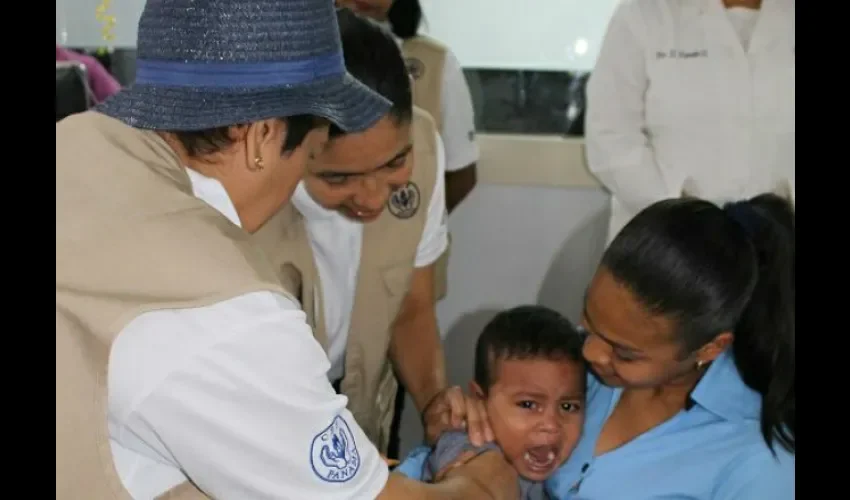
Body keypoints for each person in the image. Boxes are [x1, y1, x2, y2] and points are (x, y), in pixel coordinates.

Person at [55, 1, 517, 499]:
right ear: (259, 136)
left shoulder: (77, 145)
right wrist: (484, 484)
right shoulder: (220, 311)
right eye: (315, 154)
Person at [261, 7, 455, 456]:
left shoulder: (424, 148)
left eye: (393, 164)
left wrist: (436, 409)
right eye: (338, 179)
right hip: (265, 411)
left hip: (356, 394)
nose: (371, 198)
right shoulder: (248, 192)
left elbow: (411, 308)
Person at [545, 193, 795, 498]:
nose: (590, 352)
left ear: (709, 348)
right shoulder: (567, 364)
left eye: (623, 353)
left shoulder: (759, 463)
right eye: (588, 319)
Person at [586, 0, 795, 242]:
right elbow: (609, 135)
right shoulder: (646, 13)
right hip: (666, 243)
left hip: (782, 247)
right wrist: (675, 212)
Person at [410, 306, 587, 500]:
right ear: (480, 399)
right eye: (528, 405)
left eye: (568, 407)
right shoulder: (466, 441)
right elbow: (474, 484)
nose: (551, 425)